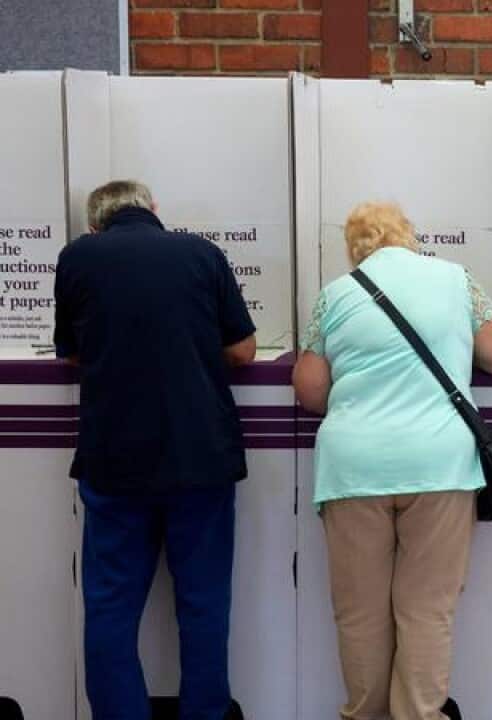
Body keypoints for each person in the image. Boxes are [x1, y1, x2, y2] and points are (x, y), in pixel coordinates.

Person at [292, 202, 492, 720]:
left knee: (360, 615)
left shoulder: (336, 295)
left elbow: (309, 390)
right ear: (408, 237)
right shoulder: (457, 280)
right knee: (426, 611)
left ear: (356, 248)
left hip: (354, 468)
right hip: (439, 465)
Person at [54, 180, 257, 720]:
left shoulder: (77, 258)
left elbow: (69, 354)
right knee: (203, 603)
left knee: (110, 606)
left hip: (113, 457)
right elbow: (242, 348)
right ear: (154, 210)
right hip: (200, 455)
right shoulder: (202, 253)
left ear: (94, 224)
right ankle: (205, 713)